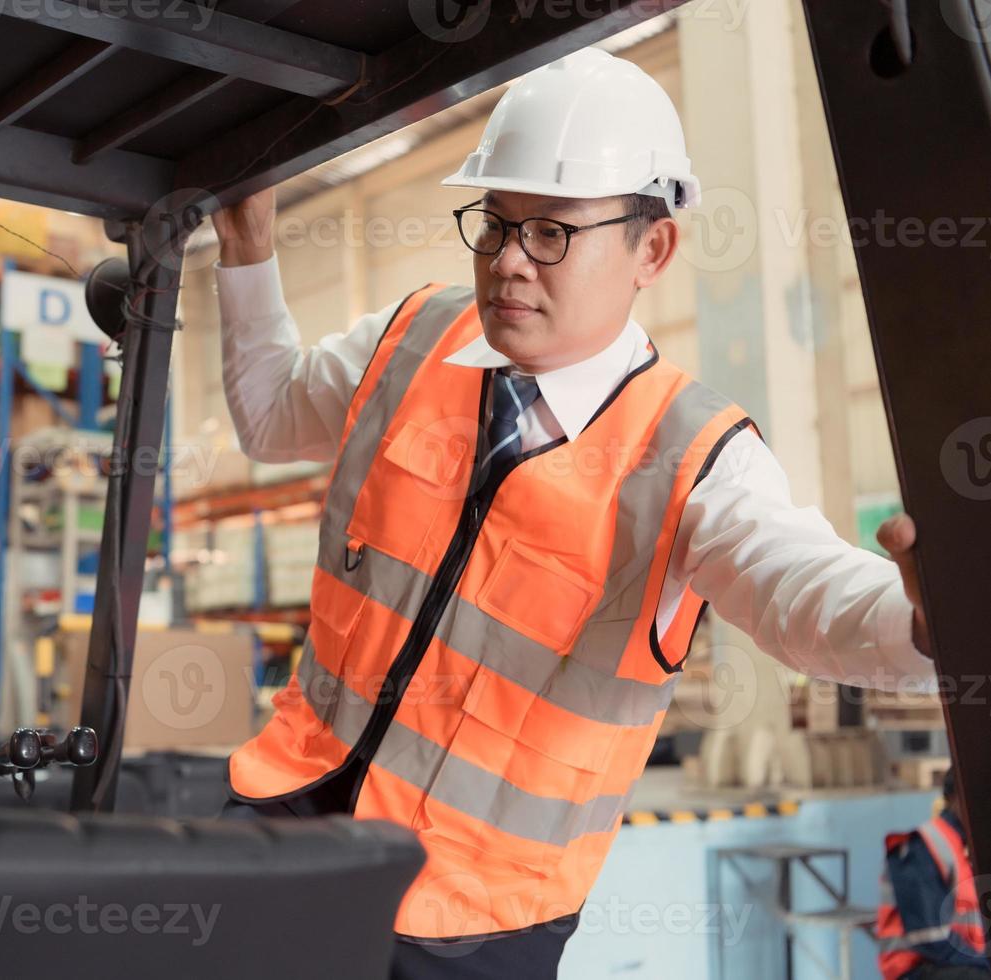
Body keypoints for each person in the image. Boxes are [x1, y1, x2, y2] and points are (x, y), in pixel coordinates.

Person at [210, 47, 935, 979]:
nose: (509, 264)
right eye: (495, 225)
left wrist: (925, 620)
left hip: (469, 914)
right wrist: (246, 248)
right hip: (285, 811)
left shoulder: (694, 454)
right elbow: (271, 416)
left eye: (551, 232)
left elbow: (801, 592)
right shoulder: (411, 336)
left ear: (652, 248)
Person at [878, 769, 990, 979]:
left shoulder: (973, 847)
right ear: (955, 797)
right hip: (919, 969)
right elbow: (930, 940)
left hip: (964, 963)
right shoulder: (921, 847)